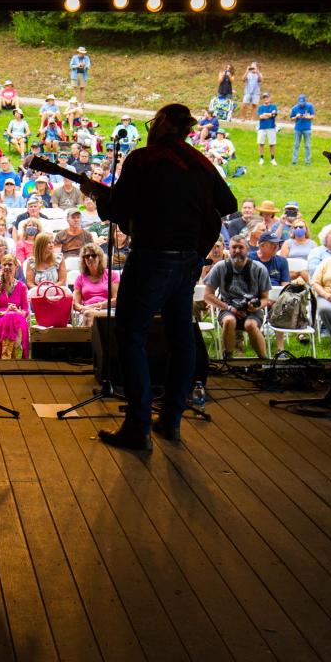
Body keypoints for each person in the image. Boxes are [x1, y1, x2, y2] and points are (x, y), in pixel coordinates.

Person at [85, 103, 236, 451]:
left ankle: (138, 427)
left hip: (153, 256)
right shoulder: (199, 161)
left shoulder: (143, 159)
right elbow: (227, 202)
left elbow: (118, 211)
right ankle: (170, 420)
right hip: (189, 259)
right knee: (181, 335)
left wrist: (100, 198)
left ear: (164, 122)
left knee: (129, 333)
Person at [72, 245, 118, 323]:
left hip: (107, 310)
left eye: (93, 255)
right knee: (88, 314)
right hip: (86, 310)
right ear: (84, 260)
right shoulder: (80, 278)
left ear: (99, 258)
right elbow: (76, 304)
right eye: (87, 256)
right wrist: (84, 308)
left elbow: (116, 299)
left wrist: (97, 306)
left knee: (88, 315)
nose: (90, 258)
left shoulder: (112, 275)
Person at [290, 93, 315, 165]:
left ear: (305, 101)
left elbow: (312, 116)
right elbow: (291, 118)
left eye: (303, 103)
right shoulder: (294, 108)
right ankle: (294, 161)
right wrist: (296, 117)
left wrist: (306, 117)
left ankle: (308, 161)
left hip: (307, 129)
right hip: (297, 129)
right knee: (296, 145)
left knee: (307, 145)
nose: (301, 104)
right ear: (298, 102)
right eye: (300, 103)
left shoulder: (309, 106)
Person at [256, 91, 279, 166]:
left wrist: (266, 114)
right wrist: (269, 115)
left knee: (272, 144)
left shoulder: (273, 106)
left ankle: (272, 159)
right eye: (264, 98)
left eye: (267, 97)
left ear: (269, 98)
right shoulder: (260, 107)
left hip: (271, 127)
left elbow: (274, 114)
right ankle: (261, 158)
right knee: (261, 143)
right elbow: (260, 117)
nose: (266, 99)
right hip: (262, 127)